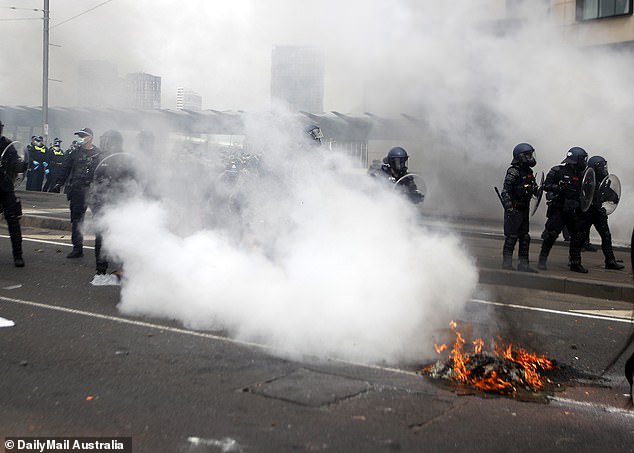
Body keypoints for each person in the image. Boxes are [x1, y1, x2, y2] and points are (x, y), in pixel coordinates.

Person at [90, 129, 139, 284]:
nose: (105, 143)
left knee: (122, 237)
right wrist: (94, 201)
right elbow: (92, 180)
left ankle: (123, 269)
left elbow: (135, 181)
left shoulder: (126, 159)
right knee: (101, 237)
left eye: (108, 140)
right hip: (102, 203)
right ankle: (100, 270)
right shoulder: (98, 158)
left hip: (120, 204)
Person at [538, 146, 589, 273]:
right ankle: (542, 261)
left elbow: (588, 191)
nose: (584, 162)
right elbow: (545, 186)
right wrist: (558, 187)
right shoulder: (557, 171)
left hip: (574, 210)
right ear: (576, 160)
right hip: (559, 209)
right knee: (551, 235)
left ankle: (575, 263)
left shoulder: (584, 175)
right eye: (583, 159)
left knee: (577, 236)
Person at [51, 127, 101, 259]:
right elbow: (65, 167)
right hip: (78, 190)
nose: (80, 138)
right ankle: (77, 248)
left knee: (100, 220)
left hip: (94, 191)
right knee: (77, 220)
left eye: (83, 136)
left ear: (90, 137)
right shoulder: (74, 152)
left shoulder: (99, 153)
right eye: (79, 136)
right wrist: (58, 183)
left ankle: (101, 249)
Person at [499, 143, 539, 272]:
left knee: (525, 237)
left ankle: (524, 265)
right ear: (521, 156)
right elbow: (505, 191)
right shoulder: (513, 171)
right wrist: (509, 208)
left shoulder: (529, 172)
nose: (531, 157)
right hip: (515, 209)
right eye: (528, 155)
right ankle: (507, 263)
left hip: (524, 208)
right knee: (511, 237)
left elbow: (534, 188)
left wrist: (537, 190)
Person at [580, 155, 624, 270]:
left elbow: (608, 193)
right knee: (579, 236)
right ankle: (574, 260)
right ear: (596, 167)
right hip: (587, 211)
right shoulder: (585, 178)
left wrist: (613, 198)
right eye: (602, 167)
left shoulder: (604, 180)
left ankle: (610, 261)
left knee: (606, 236)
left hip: (598, 211)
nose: (604, 169)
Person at [0, 121, 28, 266]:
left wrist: (21, 165)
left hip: (5, 187)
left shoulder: (7, 145)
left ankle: (18, 255)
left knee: (13, 220)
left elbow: (16, 162)